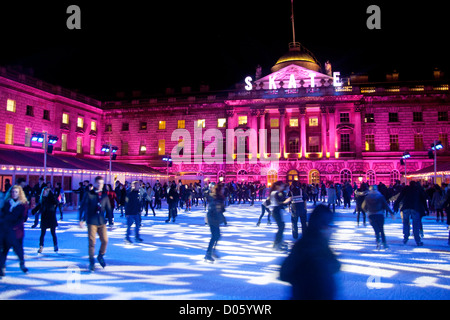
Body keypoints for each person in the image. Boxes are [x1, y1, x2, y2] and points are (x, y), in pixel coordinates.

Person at [280, 205, 340, 300]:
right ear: (323, 226)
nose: (333, 230)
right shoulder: (314, 248)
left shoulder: (316, 244)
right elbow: (284, 273)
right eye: (330, 225)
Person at [79, 176, 112, 271]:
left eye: (101, 183)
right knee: (92, 242)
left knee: (105, 240)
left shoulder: (105, 195)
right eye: (98, 183)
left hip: (101, 221)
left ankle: (101, 255)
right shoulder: (89, 194)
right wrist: (82, 219)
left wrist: (110, 222)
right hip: (92, 221)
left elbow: (109, 209)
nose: (100, 185)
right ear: (94, 183)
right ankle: (91, 261)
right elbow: (83, 207)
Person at [0, 185, 29, 276]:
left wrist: (11, 222)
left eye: (16, 192)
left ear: (20, 193)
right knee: (3, 250)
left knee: (19, 249)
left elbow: (23, 218)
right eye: (12, 192)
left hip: (17, 231)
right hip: (5, 231)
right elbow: (2, 214)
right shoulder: (7, 203)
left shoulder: (23, 204)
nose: (14, 194)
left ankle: (22, 263)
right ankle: (1, 268)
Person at [394, 181, 428, 246]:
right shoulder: (418, 189)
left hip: (406, 207)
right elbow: (423, 199)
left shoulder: (406, 189)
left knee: (406, 223)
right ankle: (417, 240)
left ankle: (405, 238)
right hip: (415, 208)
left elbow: (400, 197)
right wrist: (426, 208)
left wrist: (396, 205)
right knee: (416, 224)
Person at [362, 185, 393, 249]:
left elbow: (363, 206)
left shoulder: (367, 197)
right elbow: (386, 205)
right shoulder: (380, 196)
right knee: (381, 229)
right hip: (380, 214)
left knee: (376, 230)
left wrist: (367, 211)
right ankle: (384, 243)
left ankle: (378, 242)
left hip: (371, 215)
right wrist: (391, 213)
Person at [204, 183, 226, 262]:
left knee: (217, 235)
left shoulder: (218, 198)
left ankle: (211, 251)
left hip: (214, 218)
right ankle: (208, 253)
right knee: (214, 236)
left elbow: (221, 209)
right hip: (212, 218)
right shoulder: (215, 197)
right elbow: (214, 208)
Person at [269, 181, 291, 251]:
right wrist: (286, 201)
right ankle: (277, 243)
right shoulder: (275, 193)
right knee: (281, 227)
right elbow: (279, 203)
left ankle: (278, 242)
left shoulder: (275, 193)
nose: (282, 187)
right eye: (281, 186)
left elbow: (281, 203)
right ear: (278, 186)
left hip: (276, 211)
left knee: (281, 226)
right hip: (276, 211)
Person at [38, 187, 59, 253]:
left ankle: (55, 245)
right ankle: (41, 246)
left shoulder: (51, 199)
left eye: (46, 192)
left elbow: (56, 202)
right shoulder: (42, 199)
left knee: (53, 233)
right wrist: (34, 211)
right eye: (44, 192)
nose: (44, 193)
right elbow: (39, 206)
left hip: (51, 218)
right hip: (44, 218)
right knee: (42, 233)